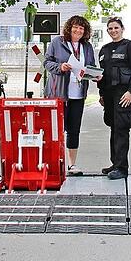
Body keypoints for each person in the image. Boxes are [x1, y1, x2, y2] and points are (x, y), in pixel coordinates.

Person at [44, 15, 95, 176]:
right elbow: (47, 62)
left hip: (78, 94)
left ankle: (72, 165)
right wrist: (60, 67)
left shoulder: (87, 46)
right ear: (69, 27)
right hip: (59, 94)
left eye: (82, 28)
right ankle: (53, 163)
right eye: (75, 27)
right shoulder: (57, 42)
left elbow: (91, 67)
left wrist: (95, 74)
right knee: (55, 130)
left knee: (74, 130)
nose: (78, 30)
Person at [97, 17, 131, 180]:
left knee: (122, 129)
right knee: (113, 128)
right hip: (108, 95)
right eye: (110, 28)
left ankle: (122, 168)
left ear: (122, 29)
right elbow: (100, 74)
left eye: (116, 28)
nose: (113, 31)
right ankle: (115, 164)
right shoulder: (104, 49)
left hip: (123, 93)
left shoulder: (130, 47)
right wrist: (101, 94)